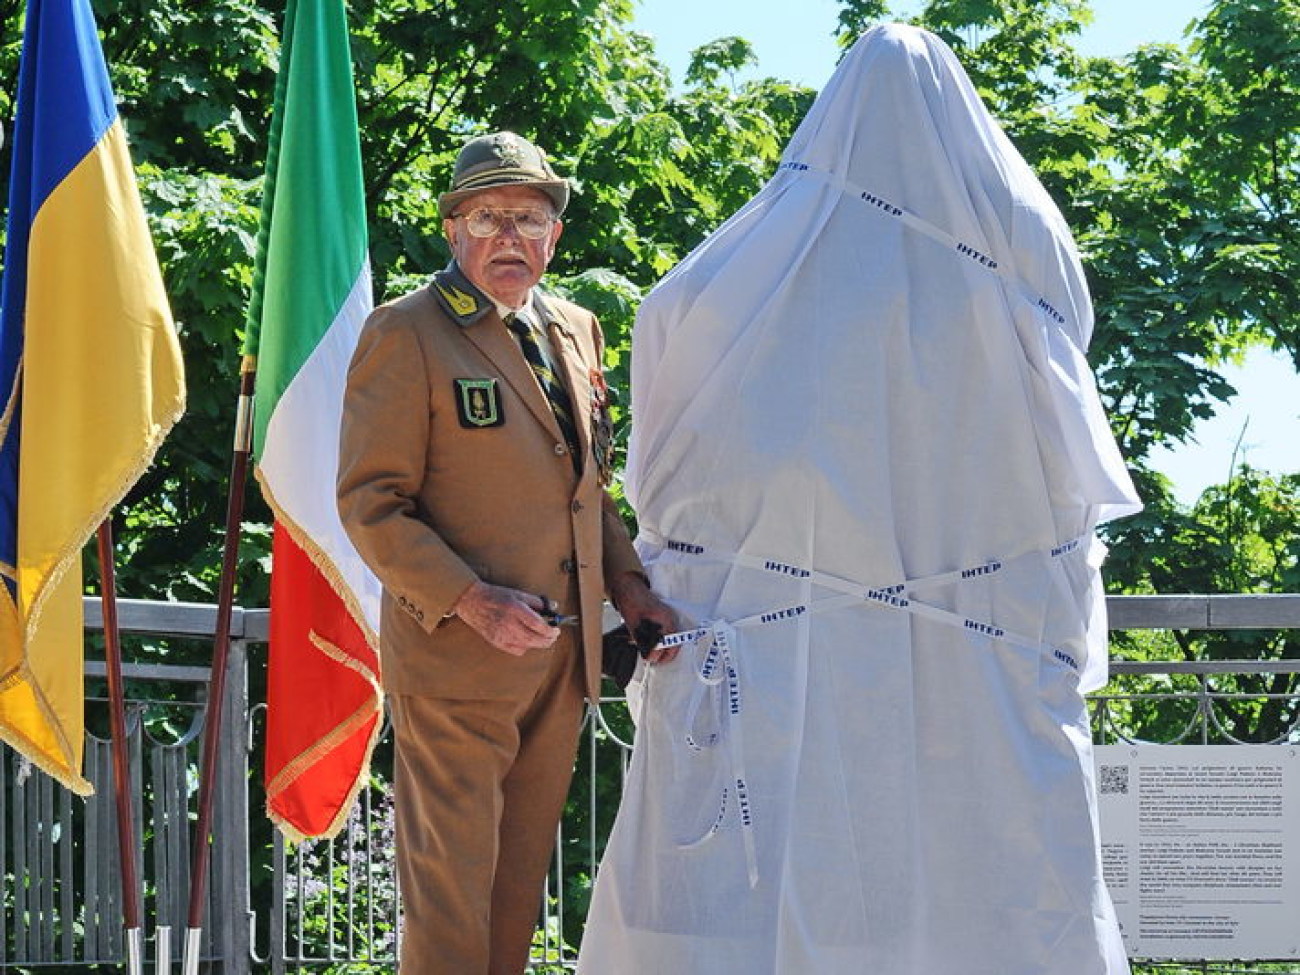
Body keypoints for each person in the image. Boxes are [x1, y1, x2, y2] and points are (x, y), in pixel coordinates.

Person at [578, 24, 1142, 975]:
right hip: (977, 658)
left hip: (783, 656)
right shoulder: (1017, 249)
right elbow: (1066, 449)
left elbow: (668, 465)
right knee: (975, 878)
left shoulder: (738, 275)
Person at [337, 130, 677, 975]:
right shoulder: (406, 332)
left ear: (554, 237)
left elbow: (584, 491)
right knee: (451, 899)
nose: (509, 238)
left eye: (528, 219)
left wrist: (630, 588)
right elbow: (370, 503)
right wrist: (471, 599)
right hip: (456, 663)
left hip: (562, 662)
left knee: (516, 897)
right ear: (453, 230)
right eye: (487, 217)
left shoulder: (577, 329)